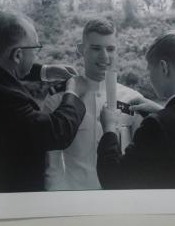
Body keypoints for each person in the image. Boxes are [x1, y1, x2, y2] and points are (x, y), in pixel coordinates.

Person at [0, 11, 88, 193]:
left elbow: (2, 67)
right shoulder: (6, 101)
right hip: (11, 200)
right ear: (18, 55)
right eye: (35, 49)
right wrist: (73, 93)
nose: (37, 55)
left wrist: (45, 70)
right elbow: (57, 132)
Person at [97, 30, 175, 189]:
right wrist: (162, 111)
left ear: (164, 67)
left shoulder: (156, 126)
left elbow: (113, 180)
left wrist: (109, 129)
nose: (149, 77)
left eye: (150, 69)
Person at [43, 18, 143, 190]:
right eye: (96, 48)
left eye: (110, 49)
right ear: (81, 49)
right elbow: (53, 165)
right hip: (75, 198)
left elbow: (140, 160)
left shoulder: (133, 99)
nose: (105, 56)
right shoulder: (58, 100)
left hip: (118, 197)